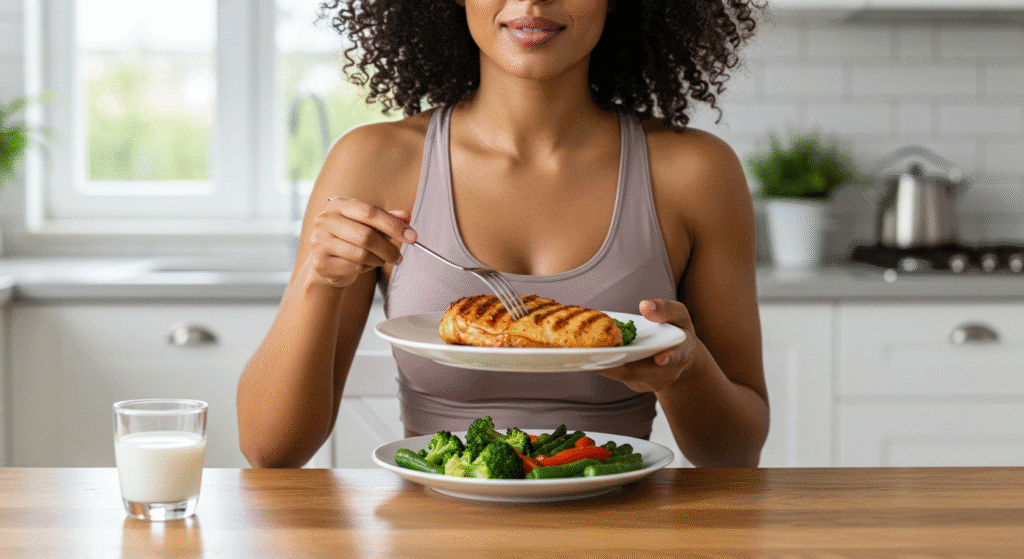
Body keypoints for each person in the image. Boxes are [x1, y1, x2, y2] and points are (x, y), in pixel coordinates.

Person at [237, 0, 770, 468]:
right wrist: (317, 281)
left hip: (622, 527)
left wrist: (685, 370)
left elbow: (734, 454)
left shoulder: (695, 172)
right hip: (435, 530)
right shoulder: (375, 162)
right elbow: (270, 451)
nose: (532, 0)